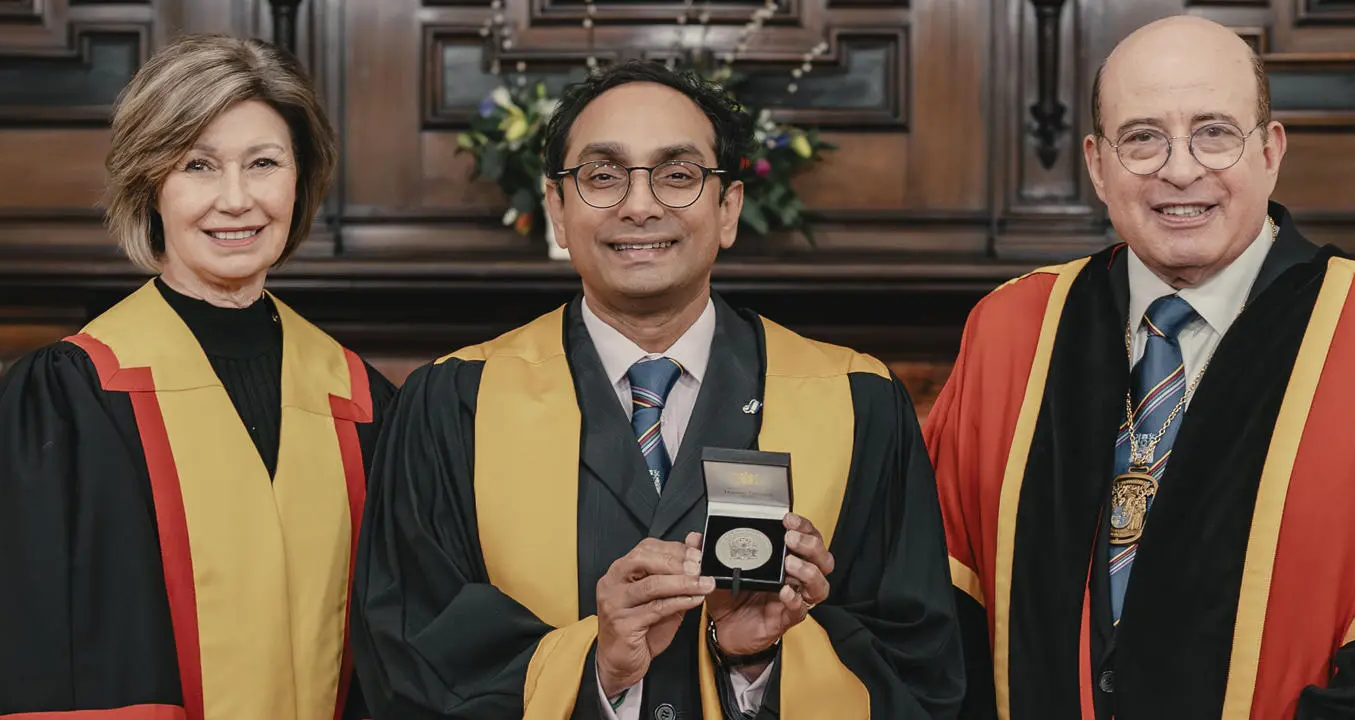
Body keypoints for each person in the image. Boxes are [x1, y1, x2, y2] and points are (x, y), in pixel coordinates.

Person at [924, 15, 1355, 720]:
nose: (1180, 168)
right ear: (1097, 164)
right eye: (1143, 137)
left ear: (1270, 150)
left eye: (1215, 132)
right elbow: (931, 614)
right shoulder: (1012, 331)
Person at [349, 60, 962, 720]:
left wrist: (753, 663)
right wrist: (600, 666)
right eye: (603, 176)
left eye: (677, 175)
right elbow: (408, 670)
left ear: (728, 208)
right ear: (557, 209)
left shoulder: (856, 403)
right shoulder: (452, 407)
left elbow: (920, 676)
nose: (639, 206)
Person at [0, 34, 395, 720]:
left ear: (300, 177)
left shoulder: (365, 404)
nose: (236, 200)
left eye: (263, 163)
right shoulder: (67, 404)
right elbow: (21, 667)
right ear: (150, 184)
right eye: (198, 165)